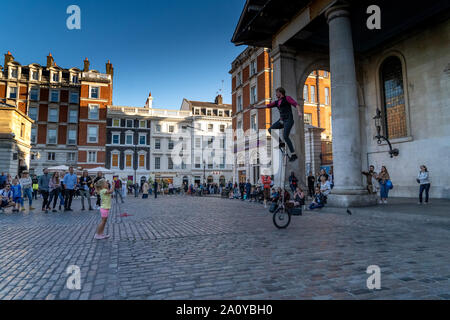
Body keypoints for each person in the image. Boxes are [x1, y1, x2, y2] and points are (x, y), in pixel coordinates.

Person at [253, 87, 302, 161]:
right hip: (281, 121)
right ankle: (281, 142)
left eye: (276, 93)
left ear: (280, 93)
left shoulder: (287, 98)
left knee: (286, 136)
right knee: (270, 129)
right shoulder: (277, 102)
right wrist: (256, 107)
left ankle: (293, 154)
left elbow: (296, 105)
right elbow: (267, 106)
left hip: (288, 120)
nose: (276, 94)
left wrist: (299, 111)